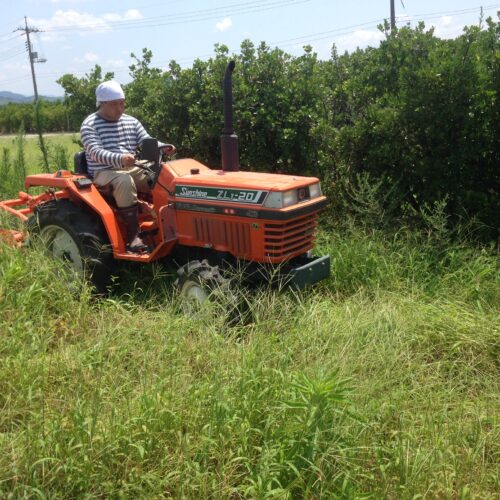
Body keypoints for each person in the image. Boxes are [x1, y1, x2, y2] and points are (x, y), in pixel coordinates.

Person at [80, 80, 175, 252]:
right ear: (102, 104)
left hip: (129, 165)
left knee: (162, 174)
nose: (120, 109)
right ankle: (133, 234)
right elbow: (95, 152)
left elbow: (146, 140)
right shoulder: (90, 125)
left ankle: (167, 222)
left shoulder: (131, 121)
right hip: (103, 171)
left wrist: (163, 146)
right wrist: (120, 158)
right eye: (114, 105)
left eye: (122, 103)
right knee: (124, 180)